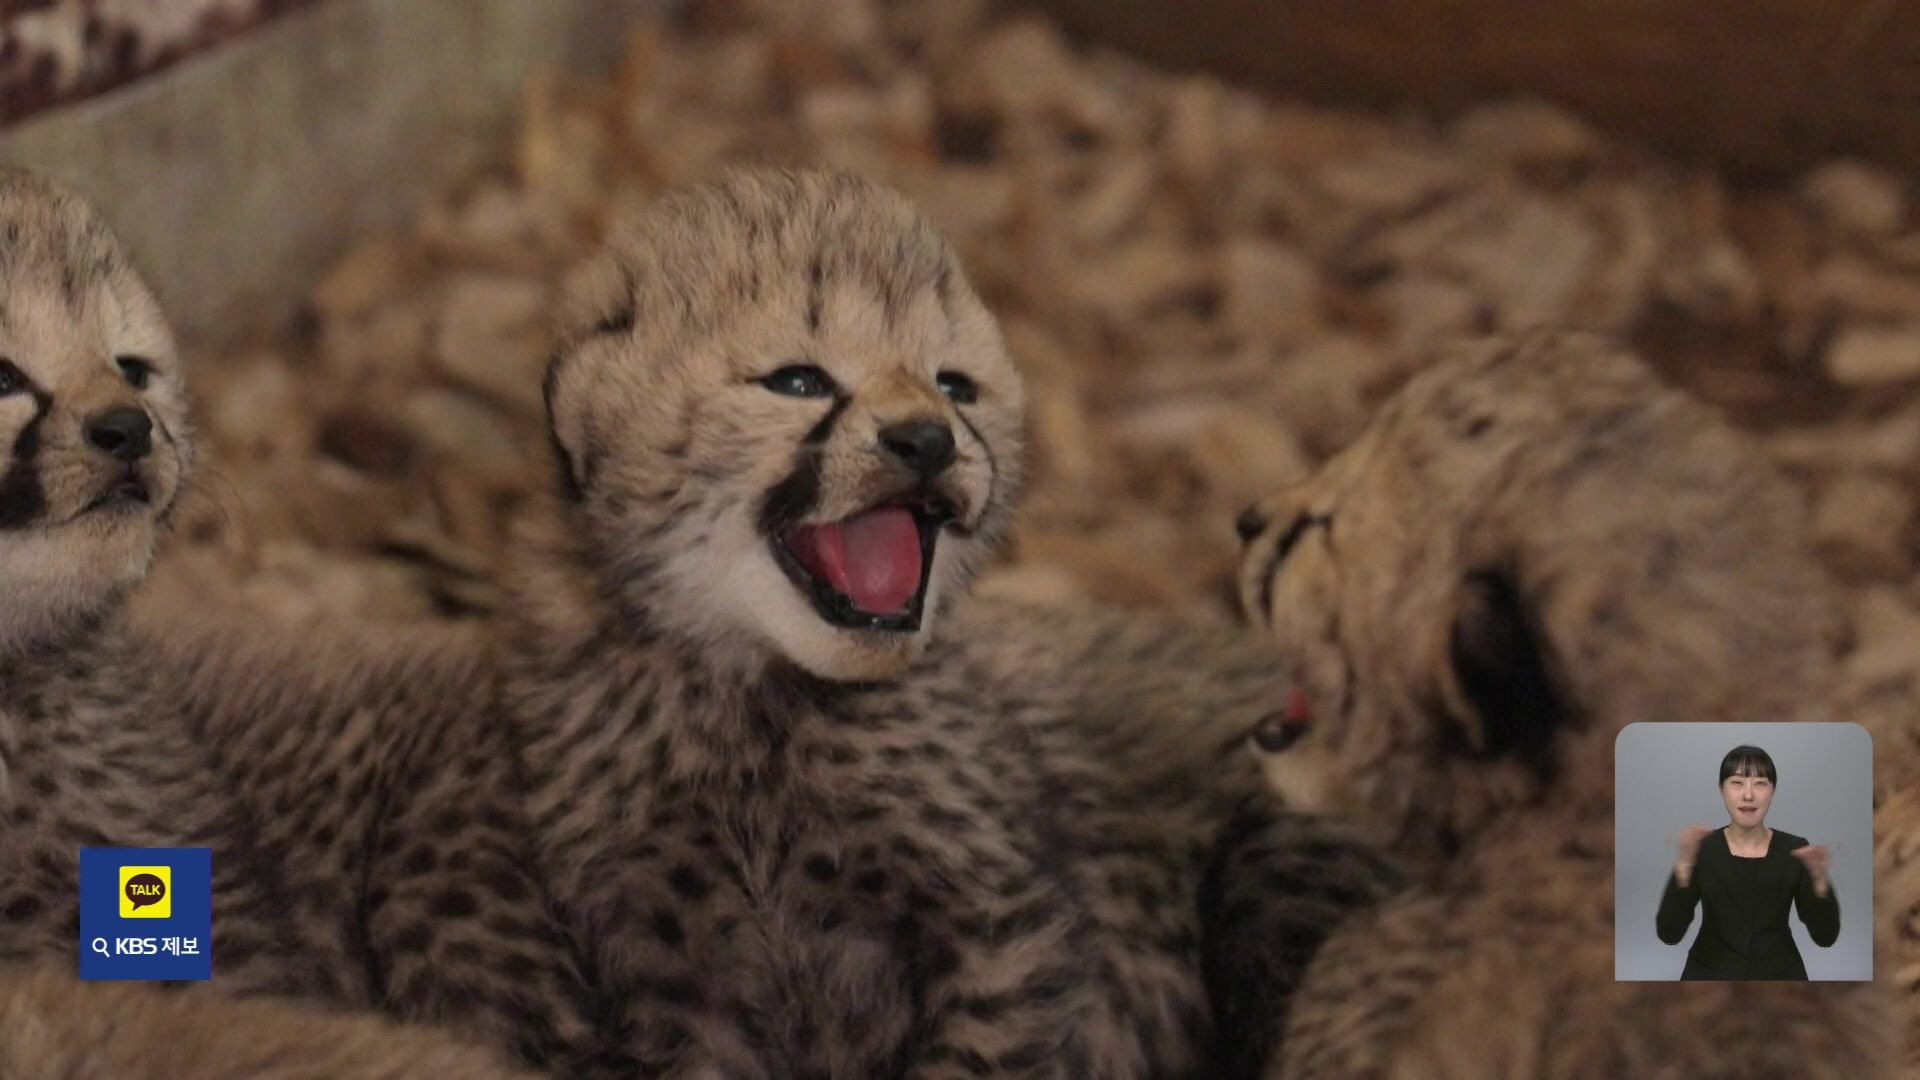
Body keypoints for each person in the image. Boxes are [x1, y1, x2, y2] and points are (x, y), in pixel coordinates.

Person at [1655, 744, 1840, 980]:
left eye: (1760, 783)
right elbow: (1669, 934)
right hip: (1709, 974)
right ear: (1721, 789)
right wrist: (1683, 867)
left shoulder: (1795, 850)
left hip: (1780, 974)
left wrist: (1820, 882)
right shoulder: (1702, 848)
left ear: (1773, 790)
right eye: (1737, 782)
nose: (1748, 795)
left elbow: (1826, 938)